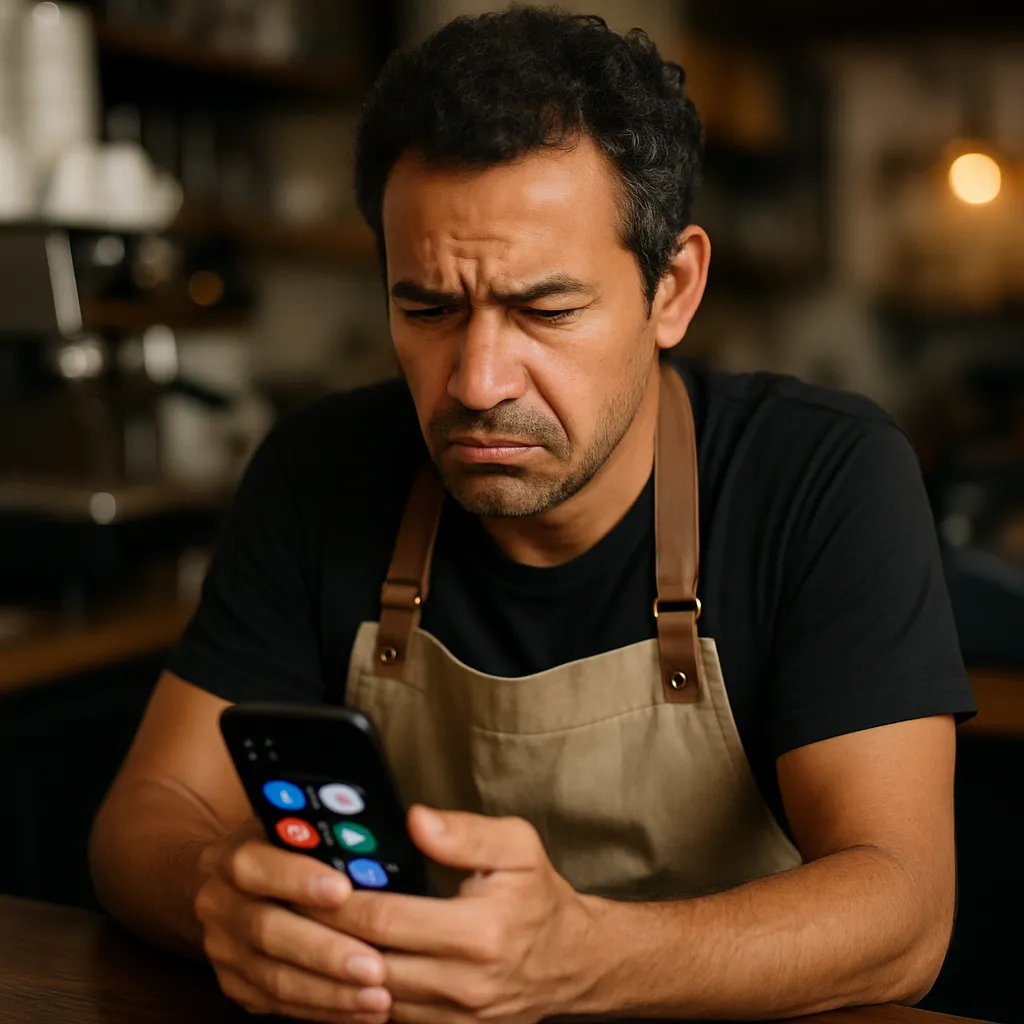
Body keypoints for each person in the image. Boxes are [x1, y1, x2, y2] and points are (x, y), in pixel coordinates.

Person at [89, 8, 976, 1023]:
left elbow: (904, 908)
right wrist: (224, 900)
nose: (474, 381)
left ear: (672, 288)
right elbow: (142, 819)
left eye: (544, 311)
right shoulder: (319, 469)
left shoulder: (822, 474)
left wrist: (583, 957)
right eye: (426, 309)